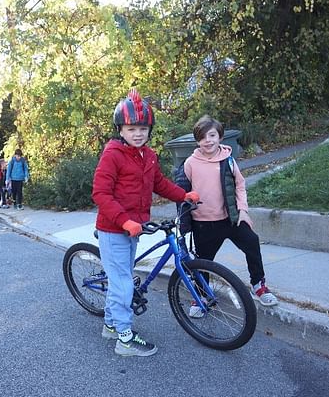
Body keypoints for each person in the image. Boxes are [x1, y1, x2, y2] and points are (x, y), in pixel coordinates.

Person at [92, 89, 199, 357]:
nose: (138, 133)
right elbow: (101, 194)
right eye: (131, 128)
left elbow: (159, 183)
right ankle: (124, 340)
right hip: (113, 228)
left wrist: (183, 195)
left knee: (121, 280)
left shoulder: (148, 155)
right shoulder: (113, 154)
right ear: (121, 129)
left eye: (142, 128)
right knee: (123, 284)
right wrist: (125, 220)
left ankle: (110, 325)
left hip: (133, 229)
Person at [181, 115, 277, 308]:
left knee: (252, 242)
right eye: (202, 137)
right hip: (204, 223)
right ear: (197, 140)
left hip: (230, 219)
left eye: (212, 135)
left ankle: (258, 285)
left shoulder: (229, 160)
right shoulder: (190, 163)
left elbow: (240, 186)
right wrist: (185, 223)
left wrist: (243, 211)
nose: (207, 141)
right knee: (203, 262)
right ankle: (203, 296)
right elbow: (183, 192)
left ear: (220, 137)